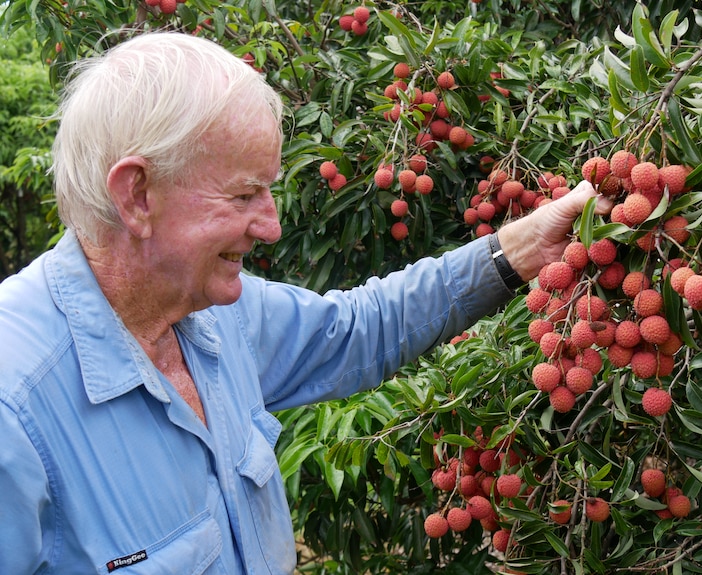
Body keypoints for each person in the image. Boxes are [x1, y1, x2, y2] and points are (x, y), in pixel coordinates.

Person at [0, 32, 612, 574]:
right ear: (136, 196)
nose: (270, 226)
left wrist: (522, 246)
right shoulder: (16, 407)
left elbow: (358, 329)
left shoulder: (216, 315)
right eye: (243, 195)